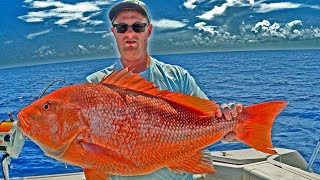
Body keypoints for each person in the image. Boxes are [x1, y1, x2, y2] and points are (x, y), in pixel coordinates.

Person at [86, 0, 242, 179]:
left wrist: (230, 122)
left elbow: (212, 120)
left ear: (149, 30)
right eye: (122, 27)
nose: (130, 33)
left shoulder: (178, 77)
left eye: (138, 26)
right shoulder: (96, 85)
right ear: (114, 33)